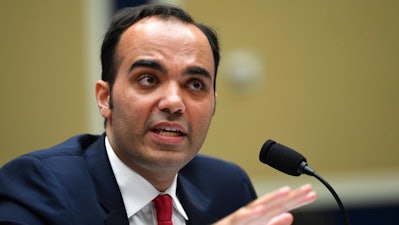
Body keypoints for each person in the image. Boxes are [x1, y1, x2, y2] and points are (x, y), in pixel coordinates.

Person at [0, 4, 316, 225]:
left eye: (195, 84)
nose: (174, 102)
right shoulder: (42, 185)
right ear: (105, 98)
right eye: (149, 79)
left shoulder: (227, 186)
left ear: (214, 104)